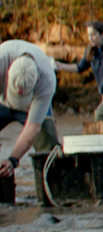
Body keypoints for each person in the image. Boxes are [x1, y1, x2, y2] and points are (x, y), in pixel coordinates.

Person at [0, 40, 61, 178]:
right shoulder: (1, 59)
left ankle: (50, 191)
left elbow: (32, 127)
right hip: (1, 101)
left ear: (37, 80)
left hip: (31, 106)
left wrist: (13, 160)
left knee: (49, 150)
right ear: (7, 72)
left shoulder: (47, 80)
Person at [53, 20, 103, 121]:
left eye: (93, 34)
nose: (90, 38)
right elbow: (80, 67)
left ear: (102, 34)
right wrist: (61, 66)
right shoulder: (90, 50)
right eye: (88, 35)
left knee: (100, 114)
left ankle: (102, 136)